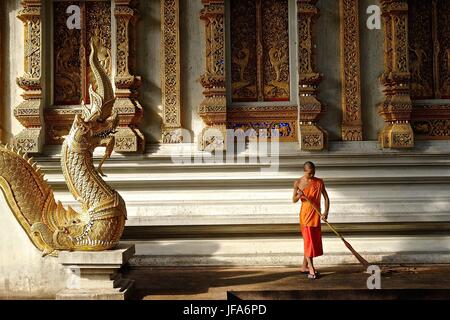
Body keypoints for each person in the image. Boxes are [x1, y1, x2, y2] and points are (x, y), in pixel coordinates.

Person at [292, 161, 330, 279]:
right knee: (309, 242)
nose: (312, 175)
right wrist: (300, 195)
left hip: (316, 216)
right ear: (304, 171)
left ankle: (304, 266)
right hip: (305, 216)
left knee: (311, 241)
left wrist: (325, 213)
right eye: (309, 173)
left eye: (314, 172)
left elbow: (326, 198)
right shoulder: (298, 182)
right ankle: (311, 269)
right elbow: (293, 199)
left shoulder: (319, 182)